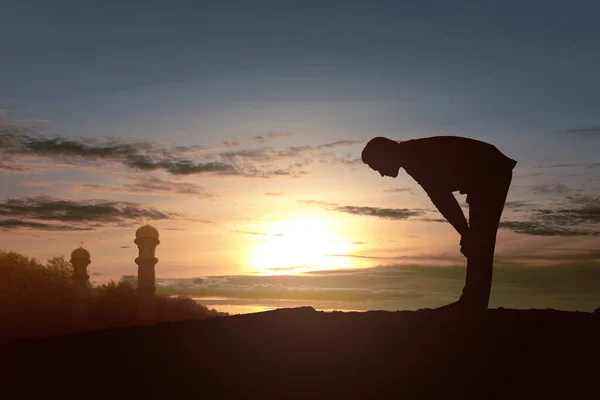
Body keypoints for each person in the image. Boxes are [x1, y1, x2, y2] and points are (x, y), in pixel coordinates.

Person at [361, 136, 517, 313]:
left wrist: (465, 233)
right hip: (485, 173)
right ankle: (472, 300)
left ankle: (473, 303)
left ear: (384, 154)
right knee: (478, 240)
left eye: (377, 167)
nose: (381, 173)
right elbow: (441, 197)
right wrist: (465, 232)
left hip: (490, 171)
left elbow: (442, 199)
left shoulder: (414, 158)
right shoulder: (410, 155)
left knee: (481, 240)